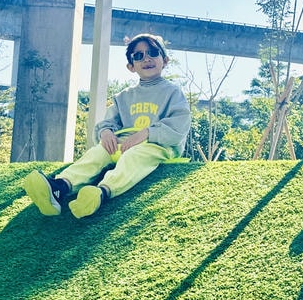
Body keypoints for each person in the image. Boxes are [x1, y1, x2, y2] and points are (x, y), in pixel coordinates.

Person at [22, 33, 191, 219]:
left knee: (135, 156)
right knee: (98, 152)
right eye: (139, 56)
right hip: (123, 144)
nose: (147, 58)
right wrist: (106, 132)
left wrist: (146, 133)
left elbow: (179, 126)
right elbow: (108, 121)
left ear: (165, 60)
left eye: (153, 53)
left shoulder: (173, 93)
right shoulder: (124, 96)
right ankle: (60, 187)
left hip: (158, 147)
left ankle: (102, 192)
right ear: (131, 66)